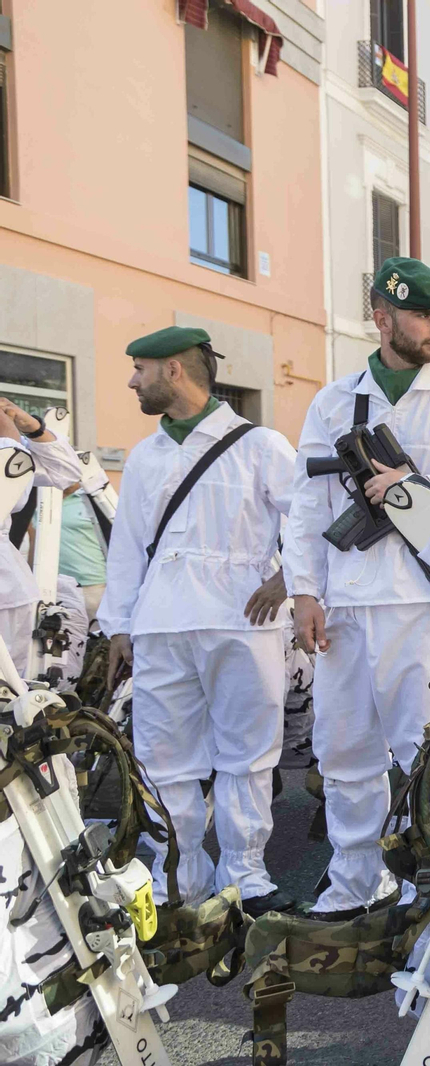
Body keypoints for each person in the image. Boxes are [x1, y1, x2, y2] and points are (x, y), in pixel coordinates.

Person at [284, 258, 430, 919]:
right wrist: (304, 590)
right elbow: (305, 505)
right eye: (423, 314)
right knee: (344, 754)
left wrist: (415, 489)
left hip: (423, 605)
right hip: (344, 607)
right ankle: (354, 886)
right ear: (382, 317)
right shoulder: (335, 400)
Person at [98, 326, 298, 915]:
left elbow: (309, 520)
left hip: (241, 617)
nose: (133, 380)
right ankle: (179, 876)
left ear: (175, 371)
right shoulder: (145, 455)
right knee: (164, 758)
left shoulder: (260, 444)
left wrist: (290, 580)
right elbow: (128, 547)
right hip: (162, 622)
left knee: (247, 753)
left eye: (141, 369)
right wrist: (118, 626)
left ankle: (247, 873)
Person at [0, 399, 81, 669]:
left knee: (12, 693)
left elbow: (66, 473)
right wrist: (10, 440)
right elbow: (9, 489)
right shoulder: (7, 445)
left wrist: (33, 429)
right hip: (8, 594)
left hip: (11, 592)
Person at [58, 483, 107, 621]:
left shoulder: (93, 498)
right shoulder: (42, 500)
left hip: (93, 586)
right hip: (54, 586)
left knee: (97, 639)